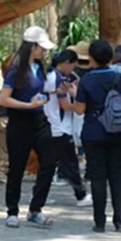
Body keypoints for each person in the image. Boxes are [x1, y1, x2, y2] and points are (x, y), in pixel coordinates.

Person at [0, 26, 57, 228]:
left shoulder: (39, 67)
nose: (44, 51)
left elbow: (39, 90)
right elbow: (4, 99)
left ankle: (35, 209)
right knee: (17, 167)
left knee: (49, 162)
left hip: (39, 120)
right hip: (19, 123)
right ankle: (12, 211)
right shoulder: (16, 69)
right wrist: (28, 105)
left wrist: (45, 97)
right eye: (41, 47)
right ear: (32, 47)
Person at [73, 40, 121, 232]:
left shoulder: (87, 80)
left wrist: (74, 99)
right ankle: (120, 221)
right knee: (117, 176)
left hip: (94, 130)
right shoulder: (117, 77)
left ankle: (100, 222)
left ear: (91, 58)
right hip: (118, 130)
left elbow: (80, 110)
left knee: (98, 177)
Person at [45, 49, 93, 207]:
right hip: (60, 126)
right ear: (66, 63)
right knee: (70, 163)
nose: (73, 69)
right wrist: (80, 106)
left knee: (49, 162)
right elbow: (65, 105)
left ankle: (39, 194)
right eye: (72, 65)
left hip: (50, 124)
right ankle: (81, 195)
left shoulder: (49, 76)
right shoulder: (60, 80)